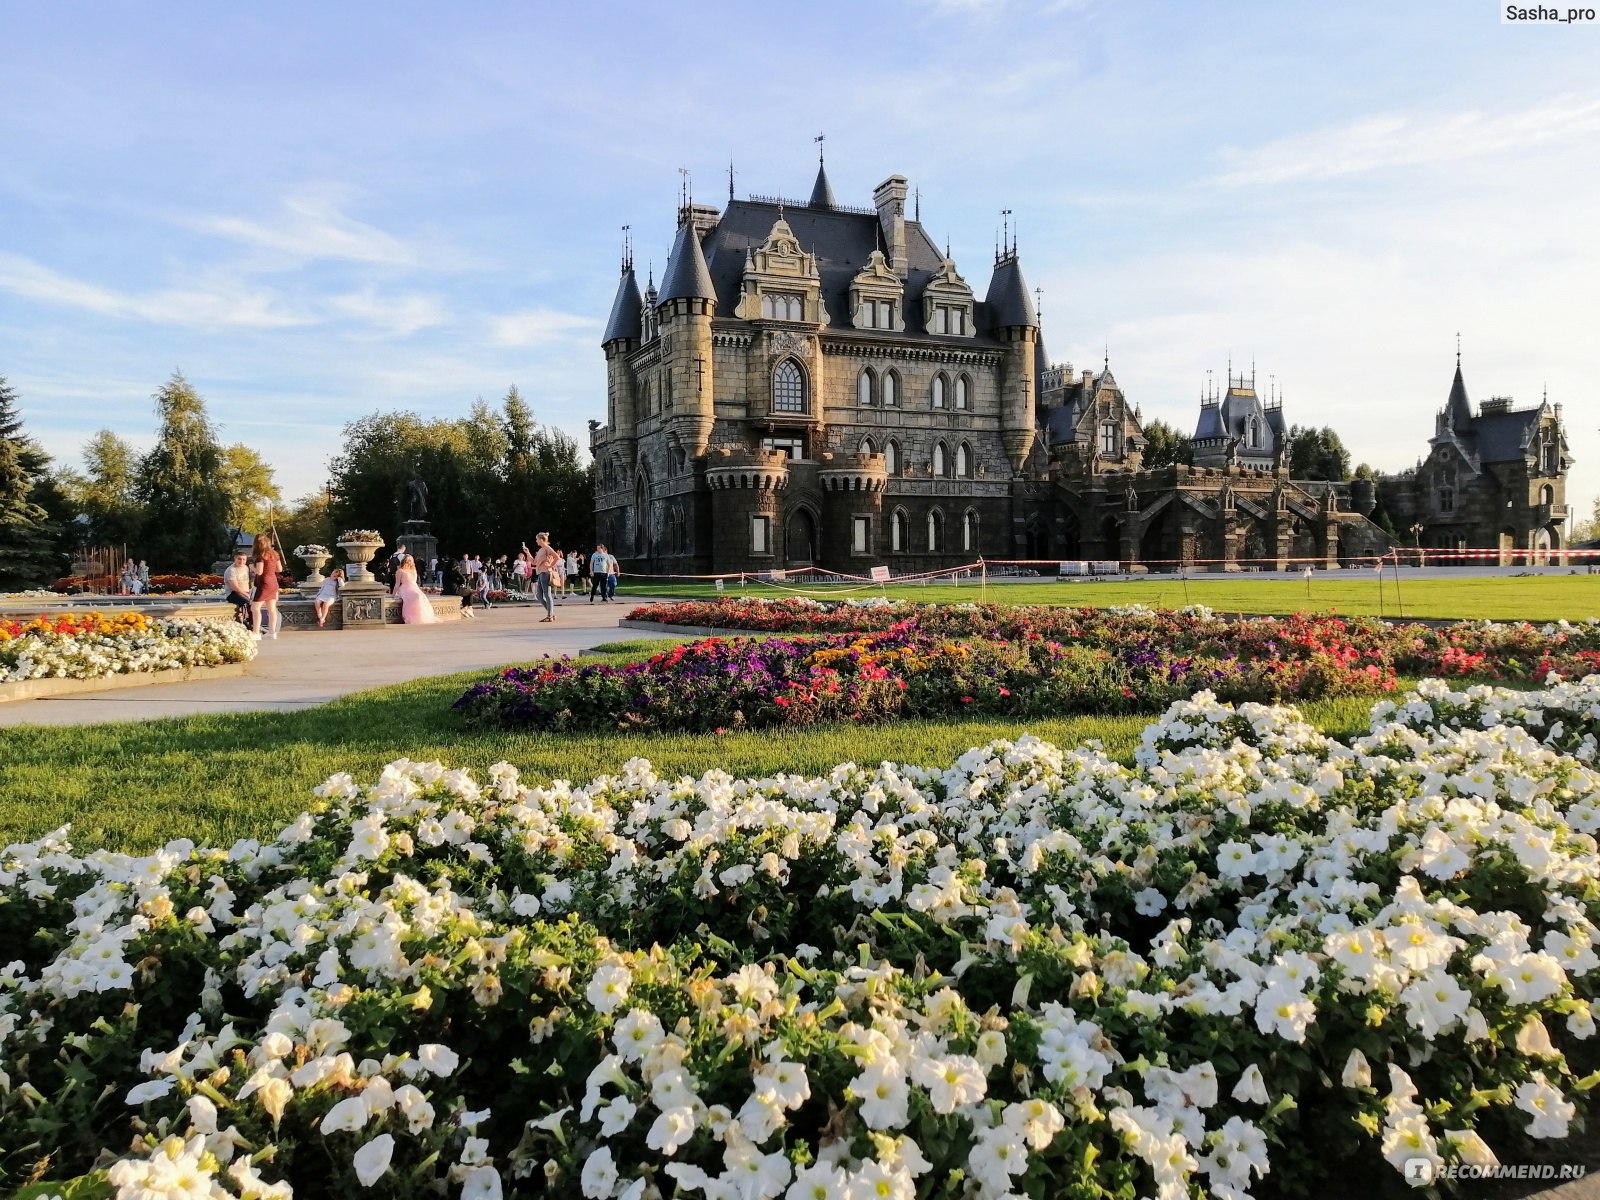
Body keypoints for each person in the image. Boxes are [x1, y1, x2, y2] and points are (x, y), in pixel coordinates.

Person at [250, 533, 283, 640]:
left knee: (255, 608)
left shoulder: (261, 556)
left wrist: (251, 567)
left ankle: (256, 632)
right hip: (273, 583)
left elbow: (259, 572)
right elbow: (279, 569)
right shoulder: (275, 554)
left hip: (264, 584)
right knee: (272, 609)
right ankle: (272, 632)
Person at [392, 554, 437, 624]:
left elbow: (415, 581)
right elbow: (397, 584)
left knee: (421, 597)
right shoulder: (400, 571)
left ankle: (421, 616)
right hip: (405, 588)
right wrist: (393, 594)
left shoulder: (413, 570)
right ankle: (412, 616)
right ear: (404, 561)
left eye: (411, 560)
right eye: (408, 561)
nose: (410, 562)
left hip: (414, 587)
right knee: (416, 597)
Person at [532, 532, 560, 622]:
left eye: (537, 539)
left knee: (547, 595)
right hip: (540, 573)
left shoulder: (547, 548)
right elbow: (534, 562)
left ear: (541, 540)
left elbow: (557, 557)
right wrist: (527, 552)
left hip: (546, 573)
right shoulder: (541, 550)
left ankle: (550, 615)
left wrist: (550, 565)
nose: (536, 541)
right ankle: (551, 614)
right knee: (539, 595)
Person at [223, 551, 253, 626]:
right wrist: (247, 595)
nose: (241, 561)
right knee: (249, 602)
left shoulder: (246, 567)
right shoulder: (231, 570)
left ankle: (253, 623)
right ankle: (249, 623)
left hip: (244, 592)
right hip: (233, 594)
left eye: (244, 559)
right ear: (235, 559)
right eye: (239, 559)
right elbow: (234, 587)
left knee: (255, 603)